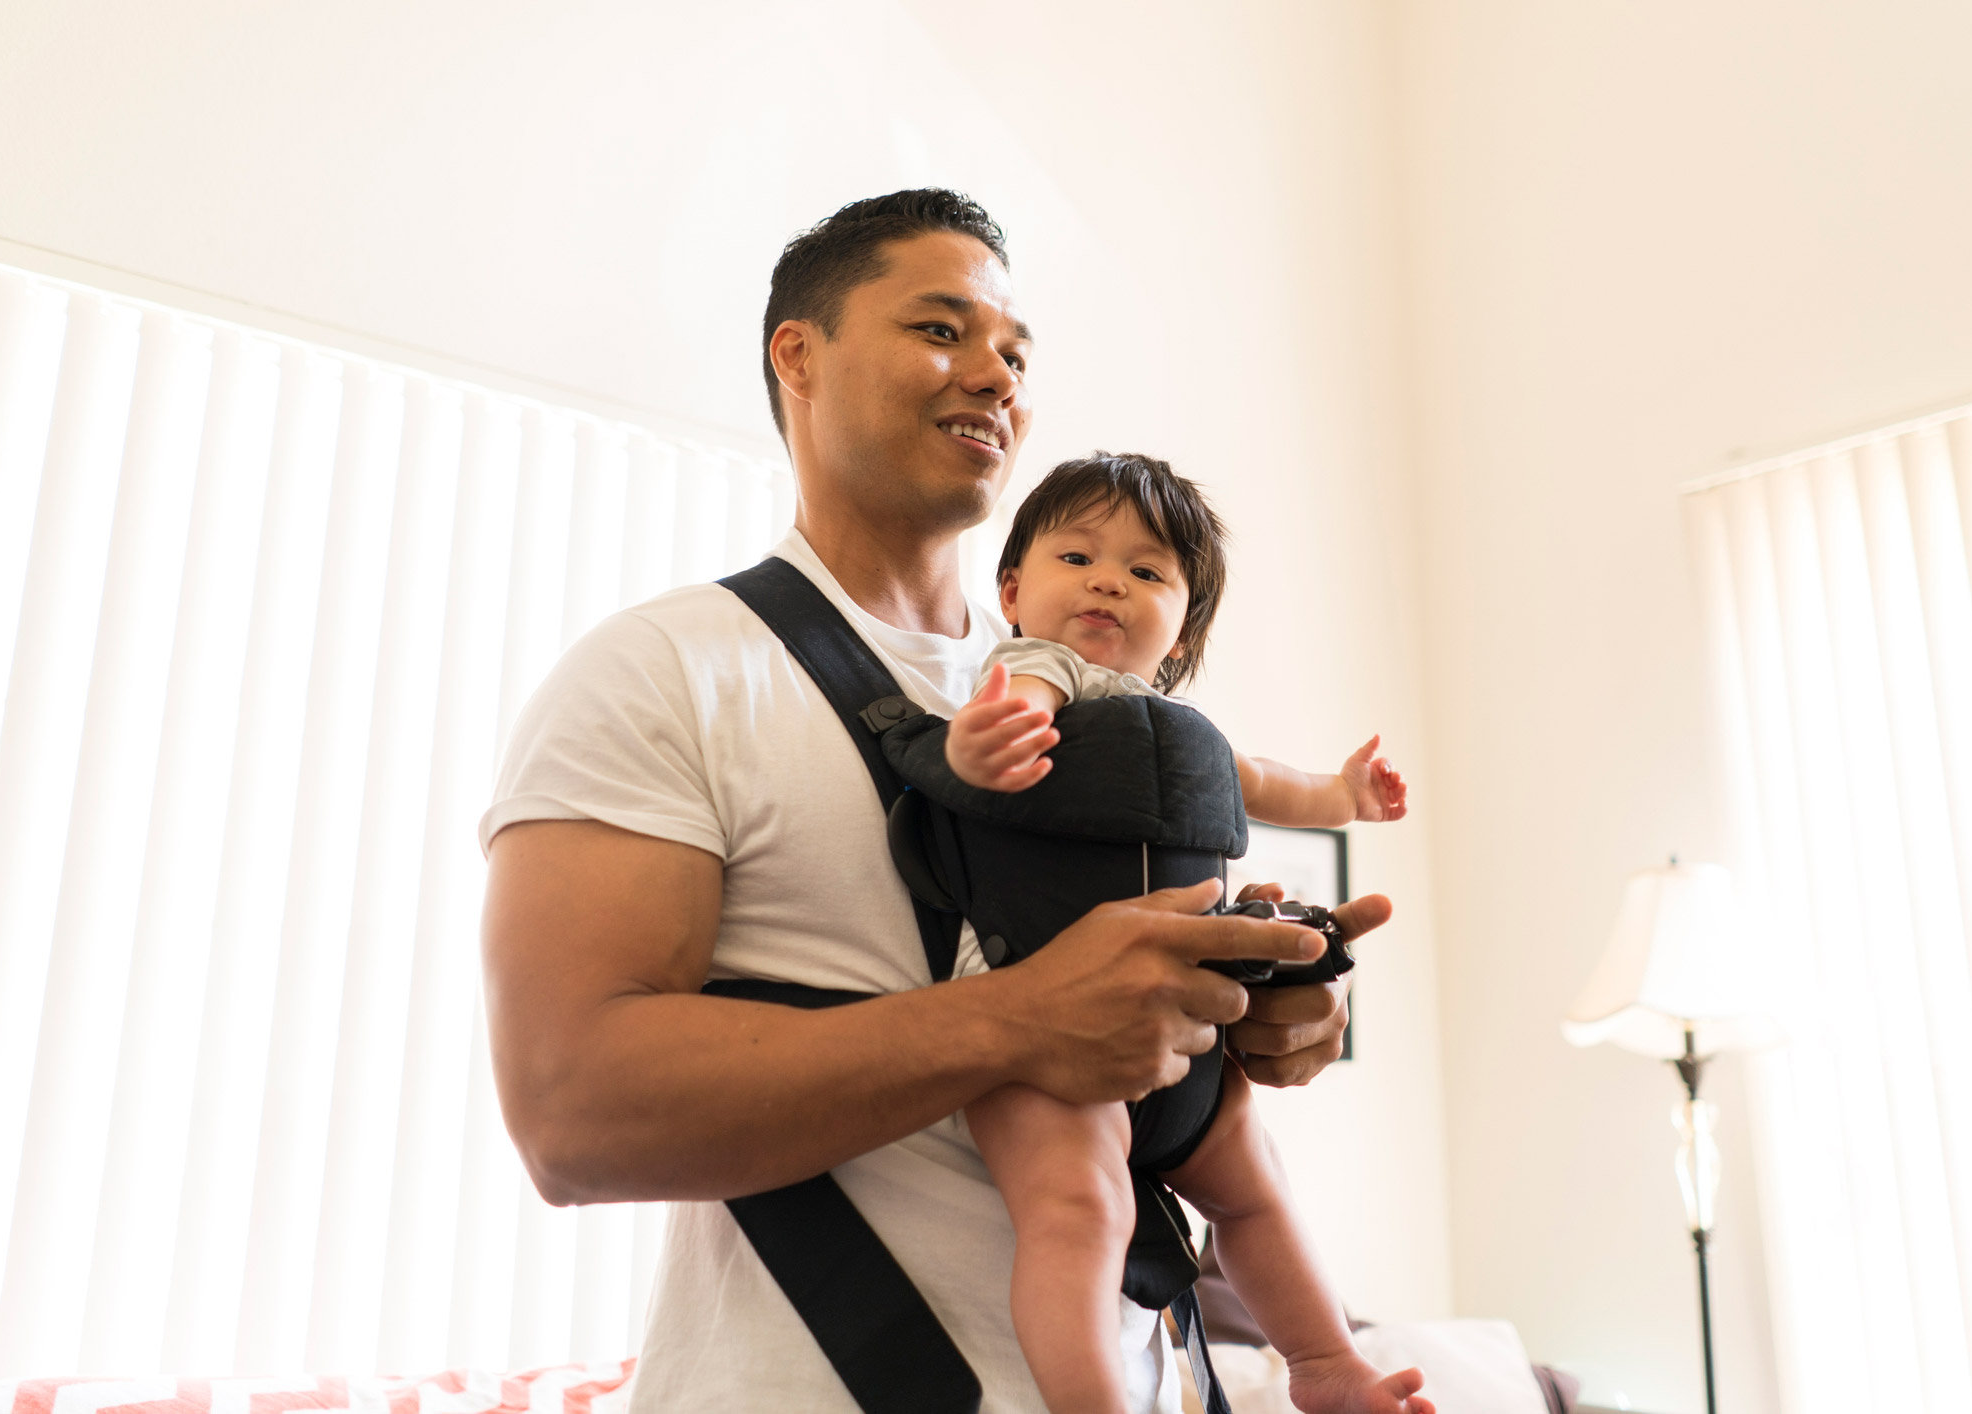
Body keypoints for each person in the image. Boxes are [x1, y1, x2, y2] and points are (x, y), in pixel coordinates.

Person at [478, 190, 1386, 1413]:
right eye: (941, 330)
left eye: (1015, 353)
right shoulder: (666, 671)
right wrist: (1021, 1018)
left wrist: (1263, 1010)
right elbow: (571, 1116)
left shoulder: (1107, 703)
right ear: (796, 353)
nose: (994, 378)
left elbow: (1153, 1026)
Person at [938, 453, 1427, 1414]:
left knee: (1256, 1191)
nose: (1108, 579)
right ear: (1011, 589)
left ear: (1183, 625)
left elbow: (1267, 782)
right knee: (1079, 1209)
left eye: (1148, 571)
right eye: (1076, 556)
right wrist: (981, 744)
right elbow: (1005, 713)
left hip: (1188, 1041)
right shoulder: (1038, 672)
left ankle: (1325, 1362)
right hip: (1044, 1035)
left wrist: (1343, 794)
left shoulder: (1178, 728)